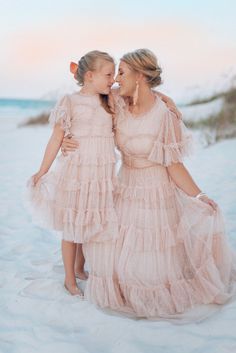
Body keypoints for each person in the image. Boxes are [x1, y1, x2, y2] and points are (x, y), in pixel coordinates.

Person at [62, 49, 236, 320]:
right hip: (124, 186)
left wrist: (199, 195)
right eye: (116, 73)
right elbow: (82, 105)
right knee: (112, 259)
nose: (117, 79)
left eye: (122, 72)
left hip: (156, 191)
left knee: (150, 269)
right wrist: (66, 139)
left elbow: (174, 165)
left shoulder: (164, 115)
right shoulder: (116, 101)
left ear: (140, 76)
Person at [27, 50, 119, 297]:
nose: (113, 79)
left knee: (88, 219)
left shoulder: (110, 100)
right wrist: (42, 171)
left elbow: (142, 94)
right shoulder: (70, 102)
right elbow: (56, 138)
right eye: (109, 74)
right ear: (89, 76)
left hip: (101, 173)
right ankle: (69, 278)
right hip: (77, 172)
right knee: (72, 223)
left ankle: (80, 267)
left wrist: (169, 102)